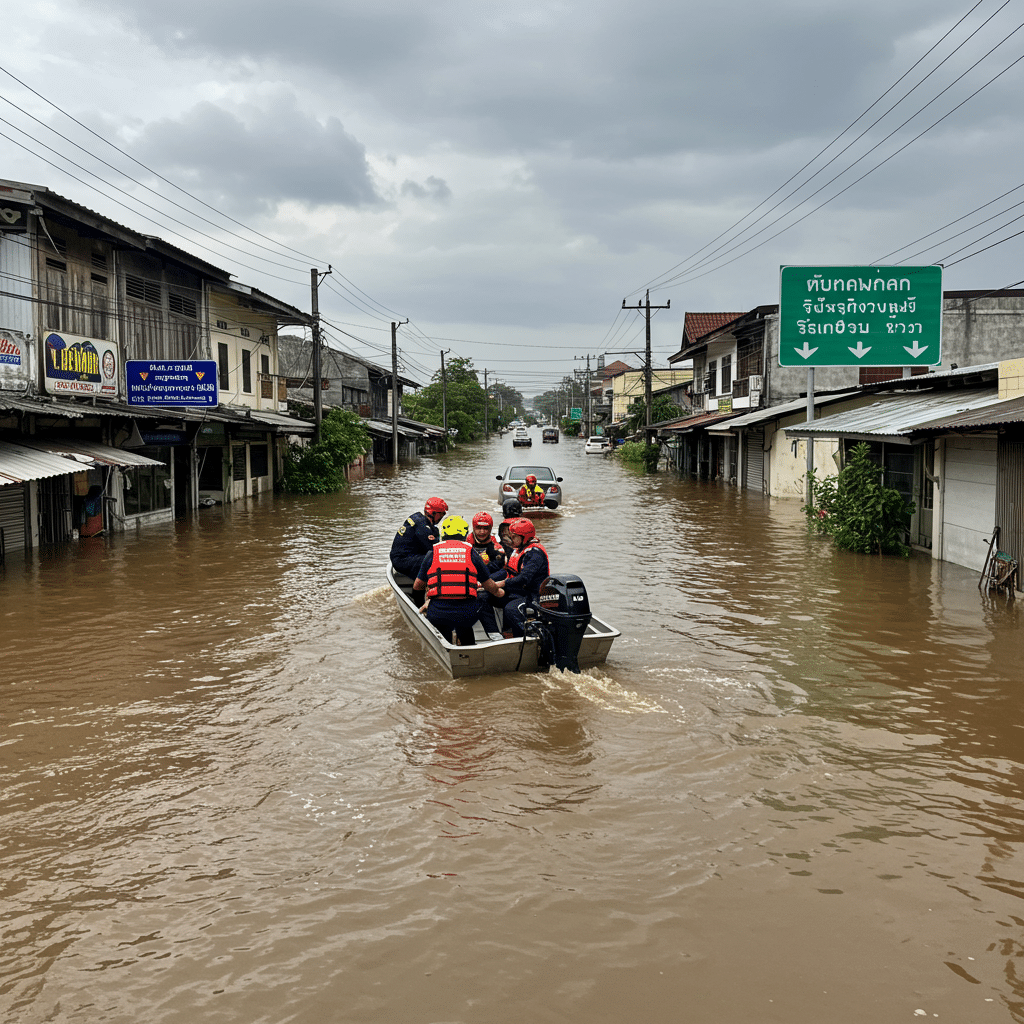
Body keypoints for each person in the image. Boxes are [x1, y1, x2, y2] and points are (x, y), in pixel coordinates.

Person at [413, 515, 505, 645]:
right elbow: (488, 584)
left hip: (438, 612)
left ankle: (446, 647)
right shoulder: (471, 552)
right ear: (465, 532)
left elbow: (418, 586)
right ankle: (469, 647)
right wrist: (499, 592)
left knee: (443, 630)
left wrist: (422, 605)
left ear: (442, 532)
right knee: (465, 622)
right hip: (466, 613)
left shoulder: (432, 553)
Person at [488, 517, 550, 637]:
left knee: (511, 609)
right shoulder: (518, 550)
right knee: (483, 597)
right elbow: (507, 571)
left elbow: (524, 578)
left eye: (514, 536)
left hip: (532, 596)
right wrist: (486, 581)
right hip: (516, 591)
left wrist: (502, 584)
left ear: (525, 537)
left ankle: (533, 636)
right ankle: (495, 636)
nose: (511, 539)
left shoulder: (535, 553)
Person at [391, 496, 447, 605]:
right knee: (433, 560)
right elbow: (434, 549)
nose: (442, 517)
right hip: (403, 561)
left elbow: (433, 533)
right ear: (434, 513)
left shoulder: (418, 517)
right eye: (442, 514)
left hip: (401, 557)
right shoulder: (423, 527)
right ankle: (419, 601)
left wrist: (434, 538)